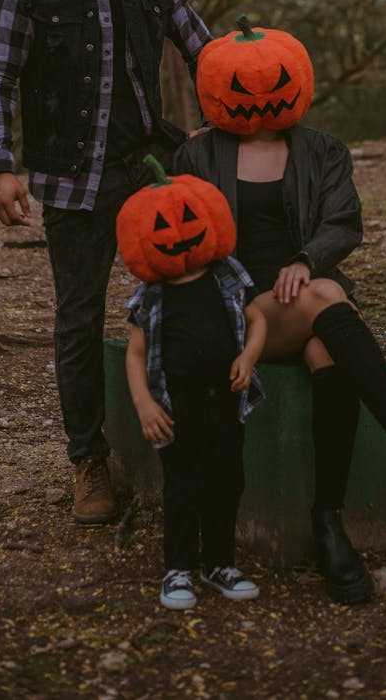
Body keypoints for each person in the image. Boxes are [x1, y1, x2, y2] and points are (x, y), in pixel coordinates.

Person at [174, 19, 386, 605]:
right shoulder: (196, 153)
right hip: (236, 312)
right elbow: (183, 242)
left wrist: (306, 259)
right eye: (242, 88)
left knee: (330, 351)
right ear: (217, 89)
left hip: (305, 306)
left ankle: (329, 522)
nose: (262, 98)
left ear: (298, 81)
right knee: (328, 295)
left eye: (274, 84)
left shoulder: (323, 150)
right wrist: (289, 277)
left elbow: (343, 224)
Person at [0, 0, 212, 525]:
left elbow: (207, 53)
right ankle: (90, 460)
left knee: (188, 305)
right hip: (69, 182)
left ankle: (193, 440)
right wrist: (0, 163)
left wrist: (219, 125)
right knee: (78, 319)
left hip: (150, 171)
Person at [118, 157, 267, 610]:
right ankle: (177, 567)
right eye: (164, 223)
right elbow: (136, 353)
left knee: (227, 480)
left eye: (185, 217)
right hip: (174, 406)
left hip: (226, 401)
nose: (177, 230)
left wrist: (248, 356)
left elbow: (257, 320)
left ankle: (218, 562)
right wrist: (144, 404)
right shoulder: (153, 293)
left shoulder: (226, 275)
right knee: (183, 486)